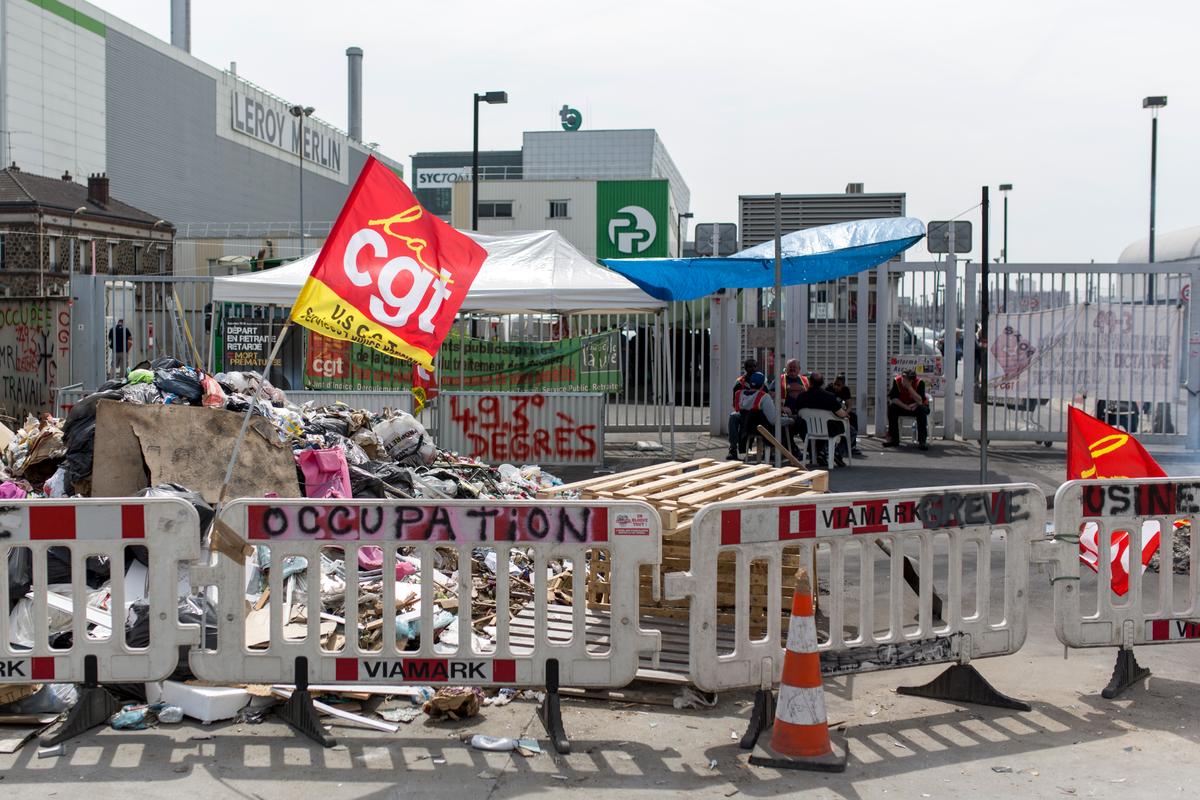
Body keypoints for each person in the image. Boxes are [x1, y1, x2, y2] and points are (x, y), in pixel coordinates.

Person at [793, 372, 850, 467]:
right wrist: (846, 414)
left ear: (810, 382)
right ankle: (837, 452)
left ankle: (819, 453)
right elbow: (841, 414)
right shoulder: (829, 397)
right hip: (828, 429)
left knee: (803, 425)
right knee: (849, 429)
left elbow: (798, 412)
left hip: (808, 430)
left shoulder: (801, 397)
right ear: (822, 383)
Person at [727, 372, 781, 460]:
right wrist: (788, 420)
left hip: (745, 426)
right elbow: (773, 419)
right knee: (773, 422)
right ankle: (769, 450)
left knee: (733, 416)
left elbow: (737, 409)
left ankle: (733, 448)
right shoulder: (764, 396)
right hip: (759, 427)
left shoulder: (739, 394)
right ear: (763, 385)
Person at [884, 368, 930, 450]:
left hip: (917, 407)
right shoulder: (897, 381)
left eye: (905, 379)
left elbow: (920, 401)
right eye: (903, 377)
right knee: (892, 408)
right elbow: (893, 398)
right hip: (904, 406)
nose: (903, 380)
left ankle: (922, 441)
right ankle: (894, 439)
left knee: (922, 410)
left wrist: (909, 388)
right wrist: (905, 407)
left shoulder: (920, 383)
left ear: (911, 380)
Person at [727, 358, 759, 459]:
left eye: (754, 366)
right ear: (745, 368)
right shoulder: (739, 382)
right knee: (733, 417)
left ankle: (765, 451)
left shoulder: (762, 380)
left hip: (759, 413)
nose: (753, 369)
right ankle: (733, 449)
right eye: (750, 366)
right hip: (743, 412)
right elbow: (735, 403)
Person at [829, 374, 865, 458]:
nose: (836, 387)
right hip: (830, 412)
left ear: (843, 385)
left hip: (841, 411)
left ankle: (852, 445)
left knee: (853, 417)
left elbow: (849, 405)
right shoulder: (829, 389)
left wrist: (846, 413)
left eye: (839, 385)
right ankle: (839, 449)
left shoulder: (845, 390)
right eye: (835, 384)